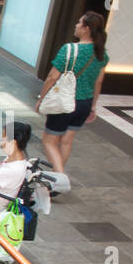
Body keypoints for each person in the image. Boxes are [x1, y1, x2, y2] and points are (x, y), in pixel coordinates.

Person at [37, 11, 109, 175]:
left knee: (49, 140)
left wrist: (42, 98)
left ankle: (59, 176)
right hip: (85, 103)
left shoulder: (69, 49)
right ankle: (56, 179)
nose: (76, 26)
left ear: (86, 28)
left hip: (64, 103)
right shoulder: (101, 54)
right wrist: (93, 106)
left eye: (79, 23)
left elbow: (52, 76)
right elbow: (98, 82)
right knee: (66, 141)